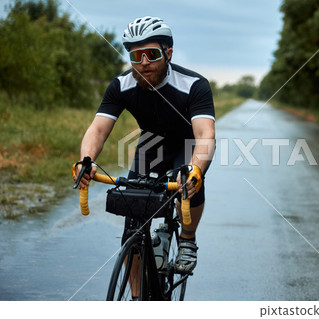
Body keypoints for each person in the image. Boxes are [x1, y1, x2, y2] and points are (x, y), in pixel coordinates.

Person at [73, 16, 215, 274]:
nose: (144, 63)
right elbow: (98, 129)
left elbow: (206, 135)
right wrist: (87, 160)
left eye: (151, 54)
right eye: (136, 56)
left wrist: (195, 169)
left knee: (192, 183)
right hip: (151, 143)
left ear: (168, 53)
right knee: (131, 232)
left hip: (187, 143)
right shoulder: (121, 85)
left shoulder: (194, 85)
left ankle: (187, 238)